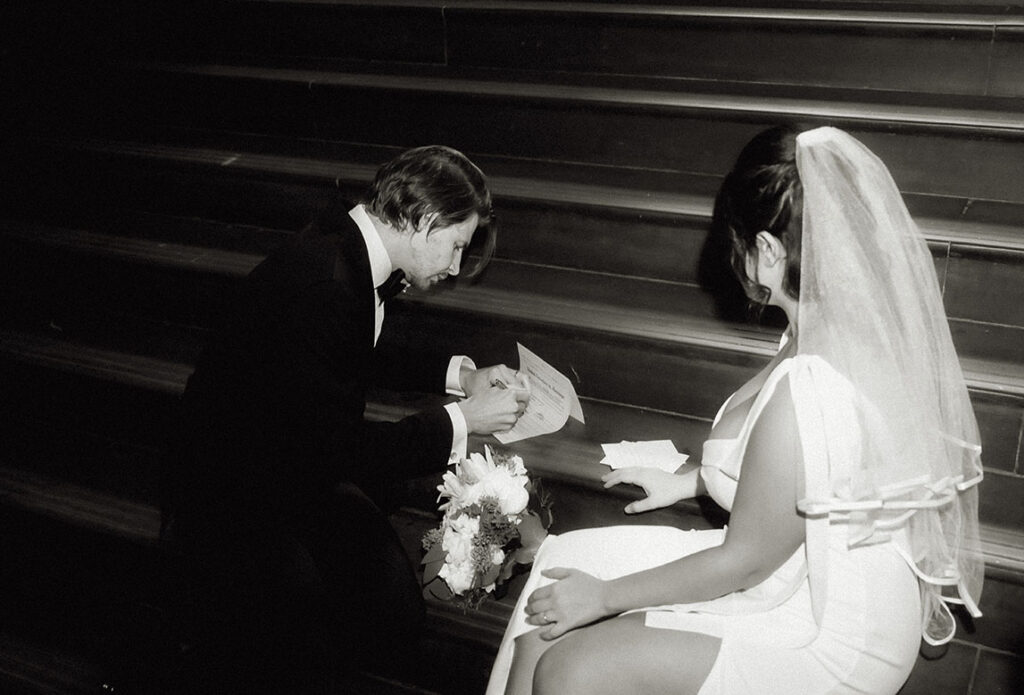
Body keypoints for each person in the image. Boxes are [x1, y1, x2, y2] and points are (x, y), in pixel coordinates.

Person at [486, 126, 984, 695]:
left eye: (739, 241)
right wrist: (692, 480)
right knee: (557, 582)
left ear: (769, 251)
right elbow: (803, 474)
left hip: (829, 632)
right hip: (795, 566)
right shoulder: (815, 329)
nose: (733, 257)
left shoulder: (810, 385)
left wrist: (603, 597)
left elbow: (743, 563)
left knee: (570, 669)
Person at [161, 145, 530, 694]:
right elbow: (341, 451)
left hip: (289, 462)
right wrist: (464, 420)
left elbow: (354, 350)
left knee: (396, 611)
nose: (455, 266)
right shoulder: (325, 284)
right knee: (314, 634)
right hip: (231, 492)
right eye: (456, 246)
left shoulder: (352, 247)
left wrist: (460, 376)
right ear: (425, 222)